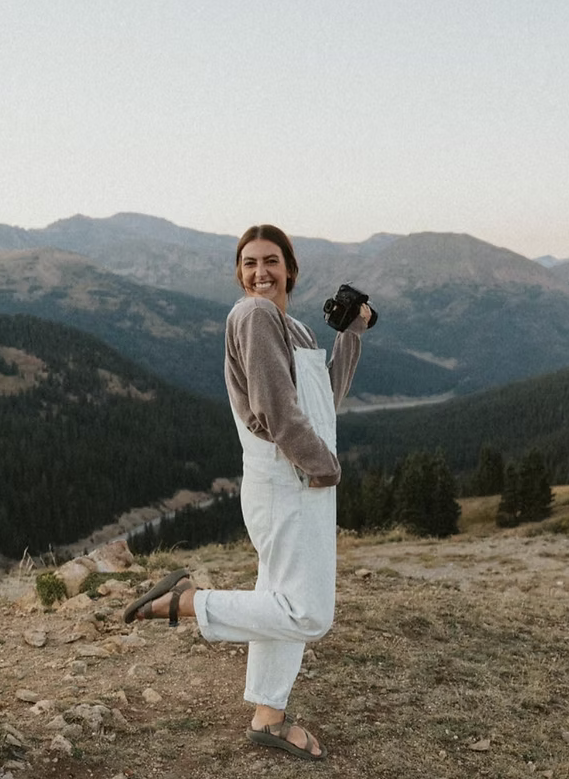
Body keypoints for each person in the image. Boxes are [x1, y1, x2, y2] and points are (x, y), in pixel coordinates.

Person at [124, 224, 371, 761]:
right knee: (309, 614)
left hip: (298, 479)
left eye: (271, 262)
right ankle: (182, 603)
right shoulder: (254, 315)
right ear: (240, 273)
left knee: (278, 598)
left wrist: (350, 333)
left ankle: (269, 714)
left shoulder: (296, 327)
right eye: (250, 262)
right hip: (289, 480)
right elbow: (275, 412)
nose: (260, 272)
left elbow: (325, 397)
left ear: (290, 271)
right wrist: (324, 467)